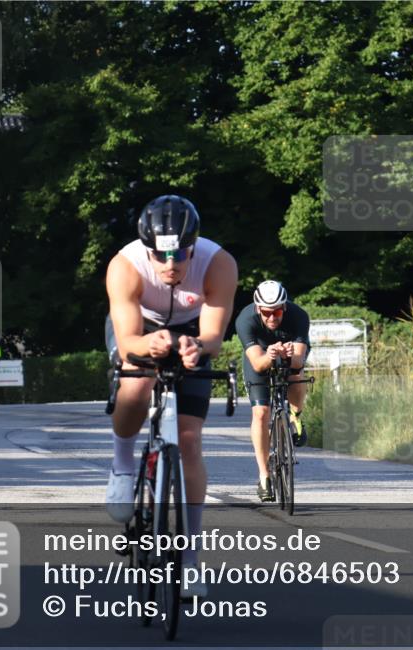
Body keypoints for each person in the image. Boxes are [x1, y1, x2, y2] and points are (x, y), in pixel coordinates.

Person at [104, 194, 237, 591]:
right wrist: (149, 346)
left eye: (180, 256)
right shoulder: (125, 266)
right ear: (147, 250)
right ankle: (123, 462)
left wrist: (199, 347)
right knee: (138, 380)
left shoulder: (219, 264)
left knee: (190, 439)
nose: (170, 265)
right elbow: (128, 342)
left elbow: (213, 335)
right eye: (160, 257)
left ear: (193, 247)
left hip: (191, 331)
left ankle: (191, 557)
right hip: (140, 328)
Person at [234, 280, 311, 502]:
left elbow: (297, 363)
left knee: (295, 375)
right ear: (258, 308)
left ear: (284, 307)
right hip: (259, 354)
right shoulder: (245, 319)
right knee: (261, 413)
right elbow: (257, 365)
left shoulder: (298, 316)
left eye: (276, 311)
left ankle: (295, 417)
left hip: (289, 354)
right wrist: (270, 355)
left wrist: (287, 356)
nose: (271, 317)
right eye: (266, 312)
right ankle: (264, 476)